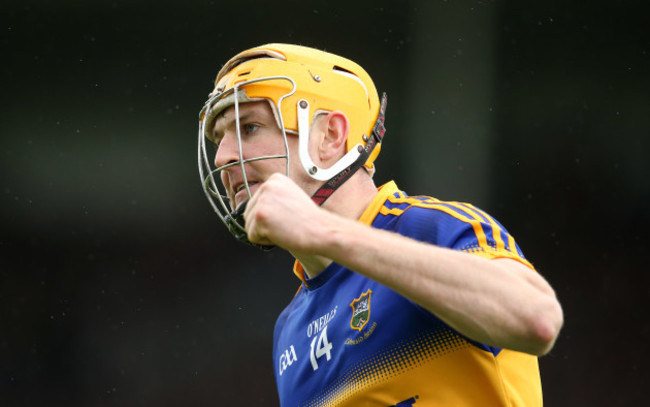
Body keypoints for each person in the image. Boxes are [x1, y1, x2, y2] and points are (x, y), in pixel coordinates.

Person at [197, 43, 563, 407]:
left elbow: (537, 319)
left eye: (250, 127)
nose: (223, 156)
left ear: (330, 136)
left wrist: (325, 232)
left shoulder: (431, 228)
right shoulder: (290, 329)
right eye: (221, 138)